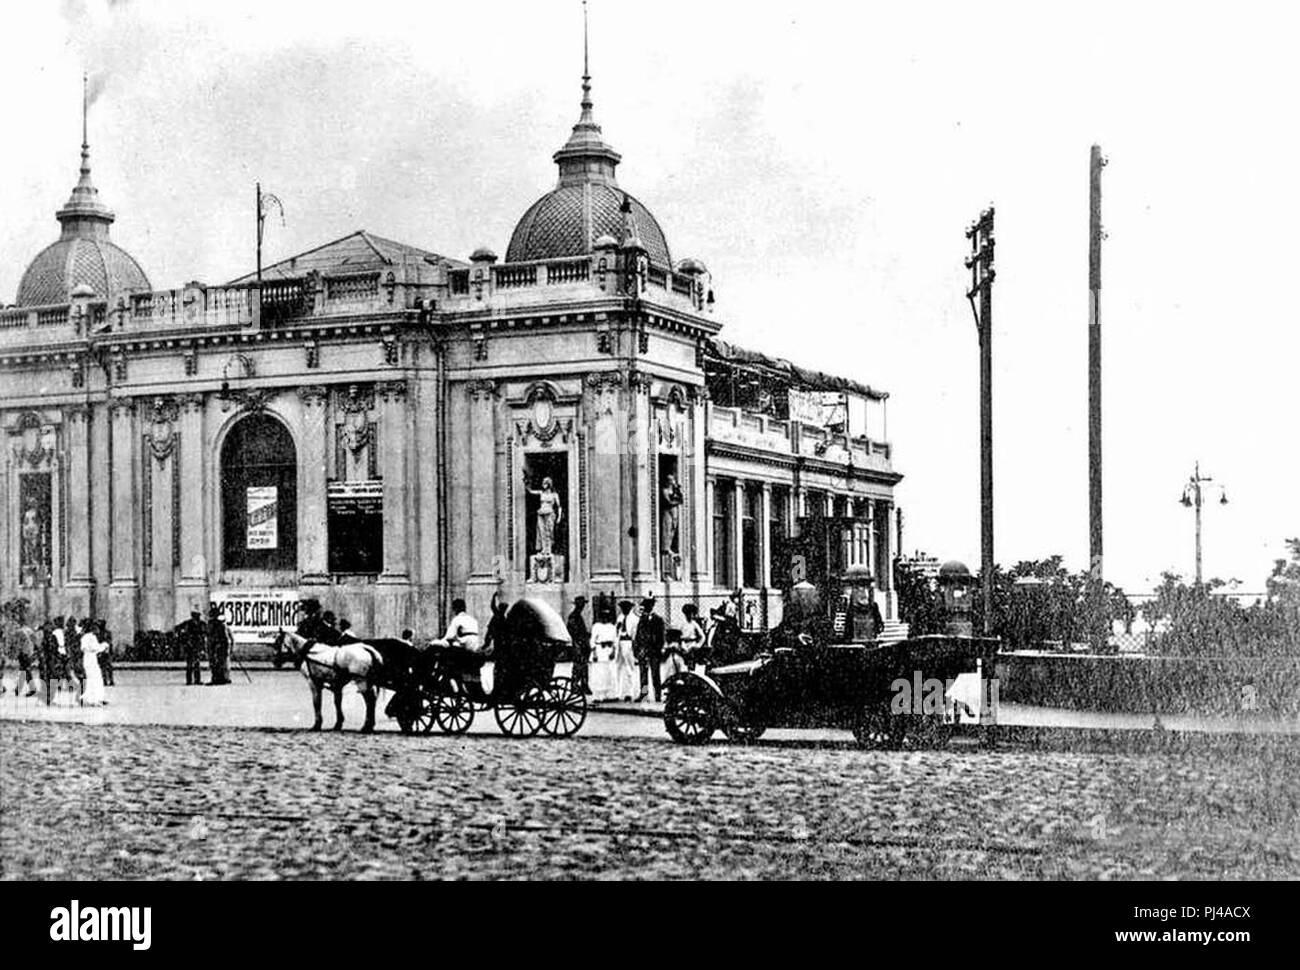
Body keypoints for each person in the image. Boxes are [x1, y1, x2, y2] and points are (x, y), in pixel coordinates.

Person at [634, 596, 666, 702]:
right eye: (645, 606)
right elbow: (638, 635)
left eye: (648, 606)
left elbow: (661, 637)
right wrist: (638, 649)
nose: (646, 608)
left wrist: (658, 649)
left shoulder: (658, 620)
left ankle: (658, 695)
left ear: (652, 606)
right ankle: (644, 694)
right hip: (643, 651)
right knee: (643, 675)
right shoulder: (642, 619)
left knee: (655, 674)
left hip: (654, 652)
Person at [589, 608, 617, 702]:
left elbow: (615, 641)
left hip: (609, 651)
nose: (605, 618)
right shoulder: (596, 626)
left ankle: (609, 695)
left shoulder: (612, 627)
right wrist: (594, 653)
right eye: (603, 616)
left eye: (607, 616)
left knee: (609, 673)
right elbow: (592, 641)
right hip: (600, 650)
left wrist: (613, 651)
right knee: (599, 673)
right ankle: (598, 696)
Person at [79, 620, 108, 706]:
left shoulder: (86, 637)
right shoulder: (89, 637)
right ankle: (94, 699)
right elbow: (95, 648)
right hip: (90, 658)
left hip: (89, 658)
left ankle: (96, 698)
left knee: (94, 678)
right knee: (95, 678)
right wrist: (104, 646)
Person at [566, 597, 591, 695]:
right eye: (581, 604)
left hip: (582, 644)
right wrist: (579, 641)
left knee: (584, 666)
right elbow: (573, 632)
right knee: (578, 666)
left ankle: (584, 685)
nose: (583, 606)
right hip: (578, 645)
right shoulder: (573, 616)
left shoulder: (578, 616)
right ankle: (575, 685)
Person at [176, 611, 206, 686]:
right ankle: (189, 680)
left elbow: (205, 632)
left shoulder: (201, 623)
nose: (197, 617)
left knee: (197, 663)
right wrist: (183, 638)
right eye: (196, 615)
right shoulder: (188, 623)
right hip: (190, 645)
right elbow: (177, 628)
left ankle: (197, 680)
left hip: (197, 645)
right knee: (190, 663)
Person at [206, 604, 233, 685]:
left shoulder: (219, 625)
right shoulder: (212, 624)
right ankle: (218, 678)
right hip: (213, 646)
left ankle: (218, 679)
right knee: (215, 663)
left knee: (217, 663)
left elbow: (224, 638)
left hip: (218, 646)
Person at [679, 604, 707, 672]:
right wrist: (682, 645)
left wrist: (698, 645)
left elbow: (702, 636)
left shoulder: (694, 624)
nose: (690, 615)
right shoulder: (682, 624)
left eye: (691, 613)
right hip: (684, 644)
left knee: (691, 664)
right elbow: (679, 637)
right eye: (687, 613)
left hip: (692, 645)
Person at [96, 620, 115, 687]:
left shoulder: (106, 633)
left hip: (106, 651)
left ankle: (110, 680)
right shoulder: (98, 633)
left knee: (108, 666)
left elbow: (109, 642)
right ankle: (105, 680)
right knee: (103, 667)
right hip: (102, 651)